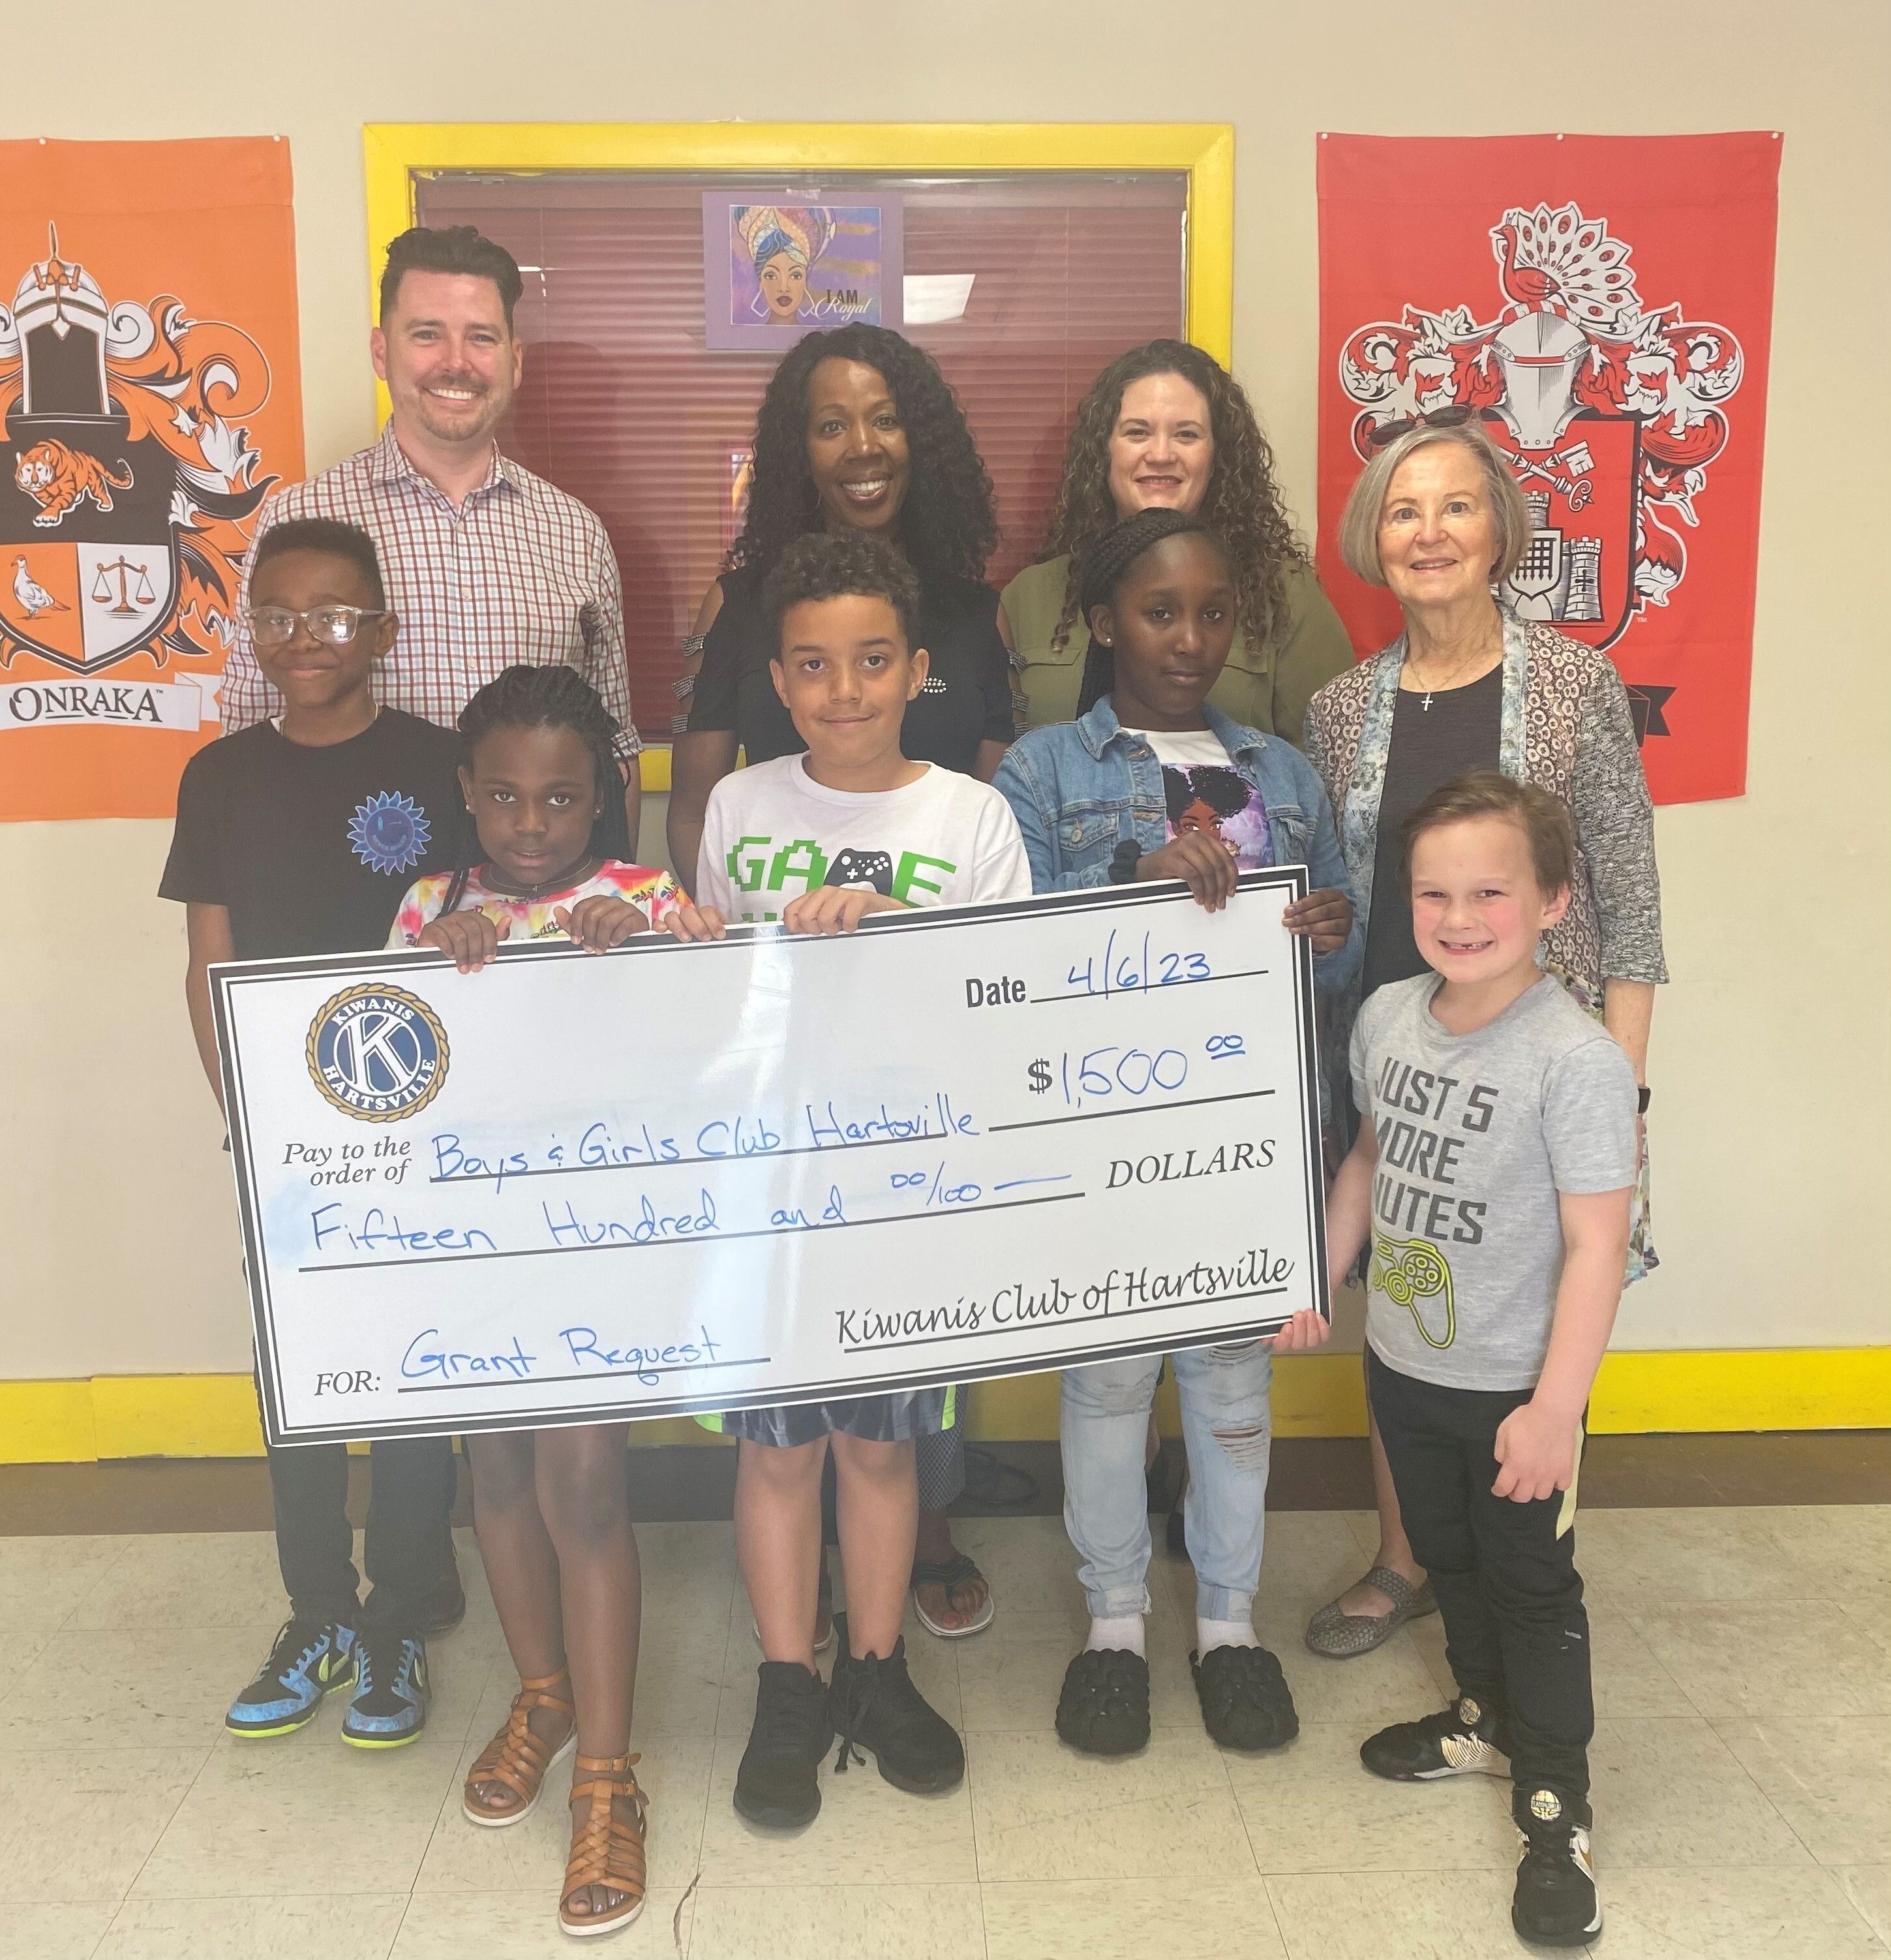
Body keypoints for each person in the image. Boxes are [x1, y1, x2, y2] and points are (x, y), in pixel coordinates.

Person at [672, 532, 1030, 1828]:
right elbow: (720, 1015)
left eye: (873, 661)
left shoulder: (971, 817)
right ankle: (786, 1676)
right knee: (778, 1456)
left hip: (905, 1189)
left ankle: (876, 1668)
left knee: (882, 1447)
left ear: (919, 670)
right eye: (814, 665)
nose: (844, 689)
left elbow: (1003, 1011)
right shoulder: (743, 806)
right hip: (770, 1189)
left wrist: (893, 934)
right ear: (776, 677)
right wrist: (705, 947)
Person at [993, 508, 1356, 1756]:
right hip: (1099, 1141)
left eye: (1212, 612)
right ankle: (1110, 1626)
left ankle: (1226, 1623)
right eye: (1158, 611)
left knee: (1229, 1379)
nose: (1188, 637)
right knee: (1103, 1379)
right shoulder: (1041, 769)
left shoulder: (1286, 772)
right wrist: (1126, 887)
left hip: (1247, 1142)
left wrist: (1326, 931)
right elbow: (1003, 953)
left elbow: (1341, 949)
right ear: (1103, 621)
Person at [1300, 414, 1664, 1660]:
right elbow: (1341, 895)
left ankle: (1517, 1572)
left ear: (1500, 528)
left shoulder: (1572, 682)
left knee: (1534, 1300)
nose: (1430, 532)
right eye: (1404, 512)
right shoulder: (1340, 703)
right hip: (1398, 1058)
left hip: (1536, 1070)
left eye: (1455, 507)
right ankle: (1405, 1559)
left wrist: (1619, 1082)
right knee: (1404, 1298)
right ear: (1372, 541)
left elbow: (1625, 890)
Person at [1283, 773, 1637, 1950]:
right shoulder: (1386, 1012)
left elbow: (1595, 1243)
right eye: (1433, 890)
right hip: (1404, 1365)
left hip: (1513, 1389)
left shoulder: (1574, 1056)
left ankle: (1554, 1807)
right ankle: (1480, 1716)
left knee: (1531, 1587)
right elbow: (1368, 1164)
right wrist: (1316, 1274)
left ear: (1549, 899)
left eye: (1489, 888)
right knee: (1446, 1557)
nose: (1459, 912)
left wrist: (1552, 1408)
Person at [160, 517, 470, 1749]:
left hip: (421, 1130)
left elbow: (479, 933)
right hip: (289, 1142)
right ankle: (317, 1610)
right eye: (279, 615)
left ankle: (396, 1614)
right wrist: (252, 1125)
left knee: (403, 1376)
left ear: (382, 632)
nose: (306, 638)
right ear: (252, 630)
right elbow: (206, 965)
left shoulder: (444, 765)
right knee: (297, 1380)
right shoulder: (220, 776)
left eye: (335, 615)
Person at [386, 663, 682, 1939]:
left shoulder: (647, 898)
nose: (528, 825)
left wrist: (647, 960)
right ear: (465, 792)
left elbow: (714, 1050)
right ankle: (544, 1689)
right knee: (494, 1477)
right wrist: (438, 969)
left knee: (586, 1489)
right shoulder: (425, 902)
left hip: (599, 1257)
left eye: (561, 800)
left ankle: (608, 1774)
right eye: (502, 796)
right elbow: (377, 1076)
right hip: (472, 1253)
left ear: (606, 796)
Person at [219, 224, 642, 845]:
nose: (455, 362)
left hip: (527, 901)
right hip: (356, 880)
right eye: (426, 335)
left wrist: (611, 891)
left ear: (514, 360)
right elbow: (248, 733)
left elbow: (615, 751)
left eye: (481, 338)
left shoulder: (576, 532)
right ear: (380, 352)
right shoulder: (300, 522)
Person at [999, 338, 1353, 741]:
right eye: (1137, 433)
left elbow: (1327, 767)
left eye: (1186, 435)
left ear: (1217, 455)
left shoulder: (1284, 595)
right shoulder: (1030, 597)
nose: (1162, 454)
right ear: (1104, 452)